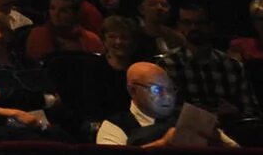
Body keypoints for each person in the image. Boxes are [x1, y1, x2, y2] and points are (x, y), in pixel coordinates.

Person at [93, 60, 230, 149]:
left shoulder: (187, 120)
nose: (167, 96)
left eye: (171, 90)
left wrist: (218, 143)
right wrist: (162, 144)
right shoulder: (115, 125)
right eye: (156, 90)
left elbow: (238, 152)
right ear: (133, 90)